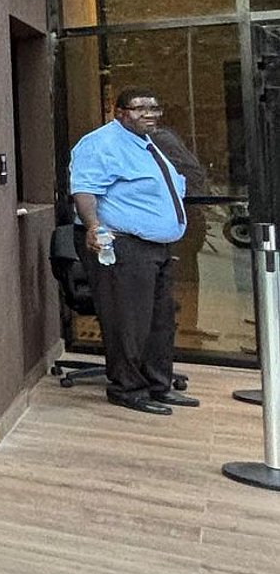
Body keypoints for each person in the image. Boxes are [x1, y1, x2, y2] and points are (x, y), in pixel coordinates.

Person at [67, 89, 202, 415]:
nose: (149, 114)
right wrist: (93, 227)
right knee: (129, 321)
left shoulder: (150, 144)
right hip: (123, 244)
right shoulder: (100, 143)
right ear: (119, 112)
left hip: (157, 248)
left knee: (159, 322)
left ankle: (158, 385)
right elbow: (84, 190)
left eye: (154, 108)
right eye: (139, 108)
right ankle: (128, 388)